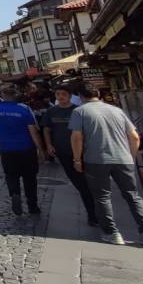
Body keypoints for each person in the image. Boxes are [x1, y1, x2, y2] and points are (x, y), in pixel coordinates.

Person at [70, 86, 143, 246]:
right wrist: (130, 156)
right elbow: (134, 136)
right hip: (123, 158)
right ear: (98, 95)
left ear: (81, 96)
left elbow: (77, 137)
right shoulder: (116, 110)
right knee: (133, 195)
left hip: (96, 159)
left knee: (102, 197)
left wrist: (77, 160)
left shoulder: (80, 111)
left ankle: (112, 233)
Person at [41, 86, 97, 226]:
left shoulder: (77, 111)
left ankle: (94, 214)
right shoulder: (51, 111)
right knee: (79, 184)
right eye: (58, 94)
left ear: (70, 95)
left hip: (82, 152)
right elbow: (47, 129)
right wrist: (48, 145)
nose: (60, 97)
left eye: (63, 94)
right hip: (63, 152)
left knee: (88, 185)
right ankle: (93, 212)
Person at [0, 86, 45, 215]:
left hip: (6, 149)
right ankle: (32, 205)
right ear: (16, 95)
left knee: (11, 176)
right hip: (26, 149)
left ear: (2, 95)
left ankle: (15, 194)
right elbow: (33, 131)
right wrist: (41, 150)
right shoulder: (24, 109)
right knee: (30, 178)